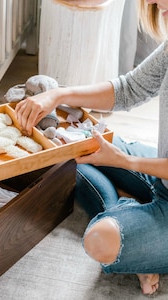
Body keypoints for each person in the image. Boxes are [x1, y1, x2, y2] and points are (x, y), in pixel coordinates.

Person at [15, 0, 168, 295]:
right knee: (74, 149)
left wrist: (124, 162)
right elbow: (129, 89)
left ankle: (130, 222)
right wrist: (59, 94)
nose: (151, 1)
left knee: (99, 241)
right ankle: (130, 214)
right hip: (161, 174)